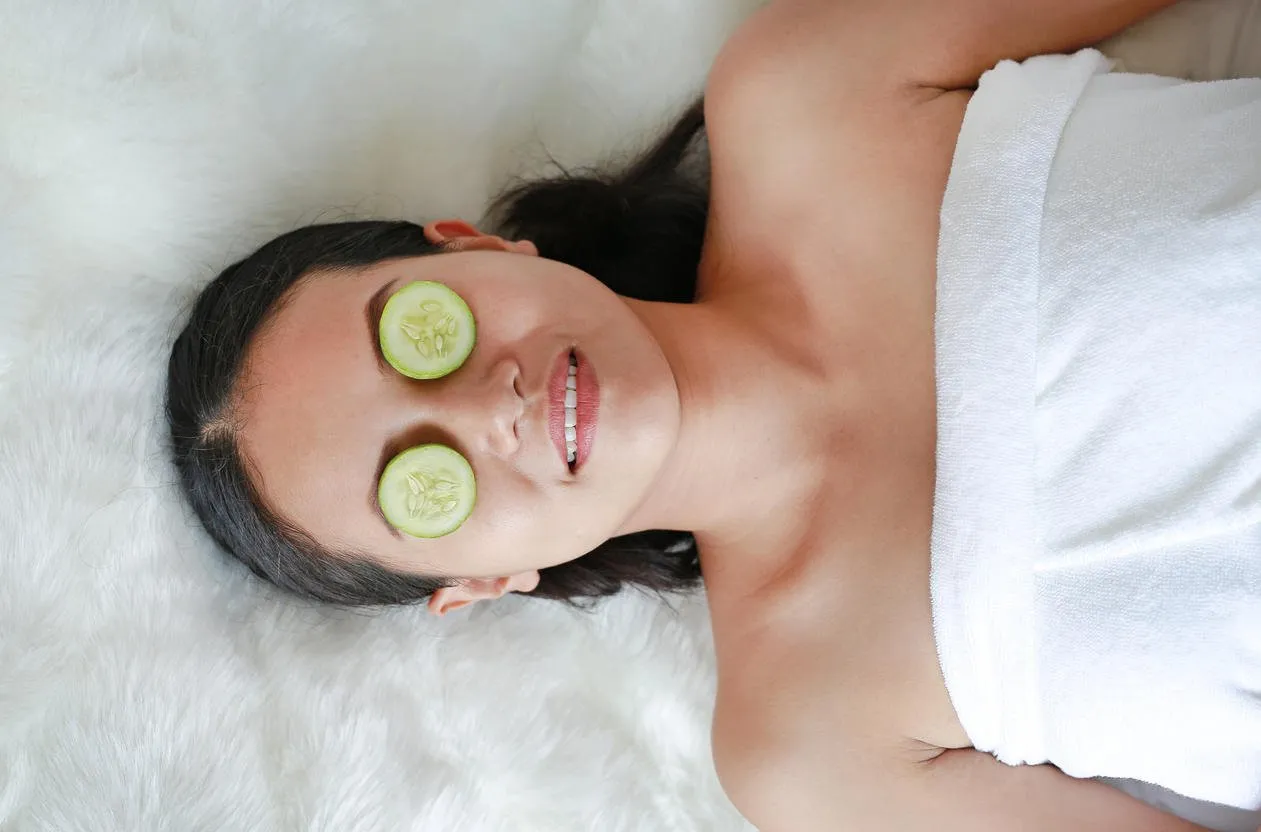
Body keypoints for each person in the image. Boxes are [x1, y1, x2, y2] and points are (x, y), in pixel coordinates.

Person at [165, 1, 1261, 829]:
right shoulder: (805, 748)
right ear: (482, 582)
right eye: (424, 484)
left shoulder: (804, 94)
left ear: (470, 246)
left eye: (421, 333)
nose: (486, 405)